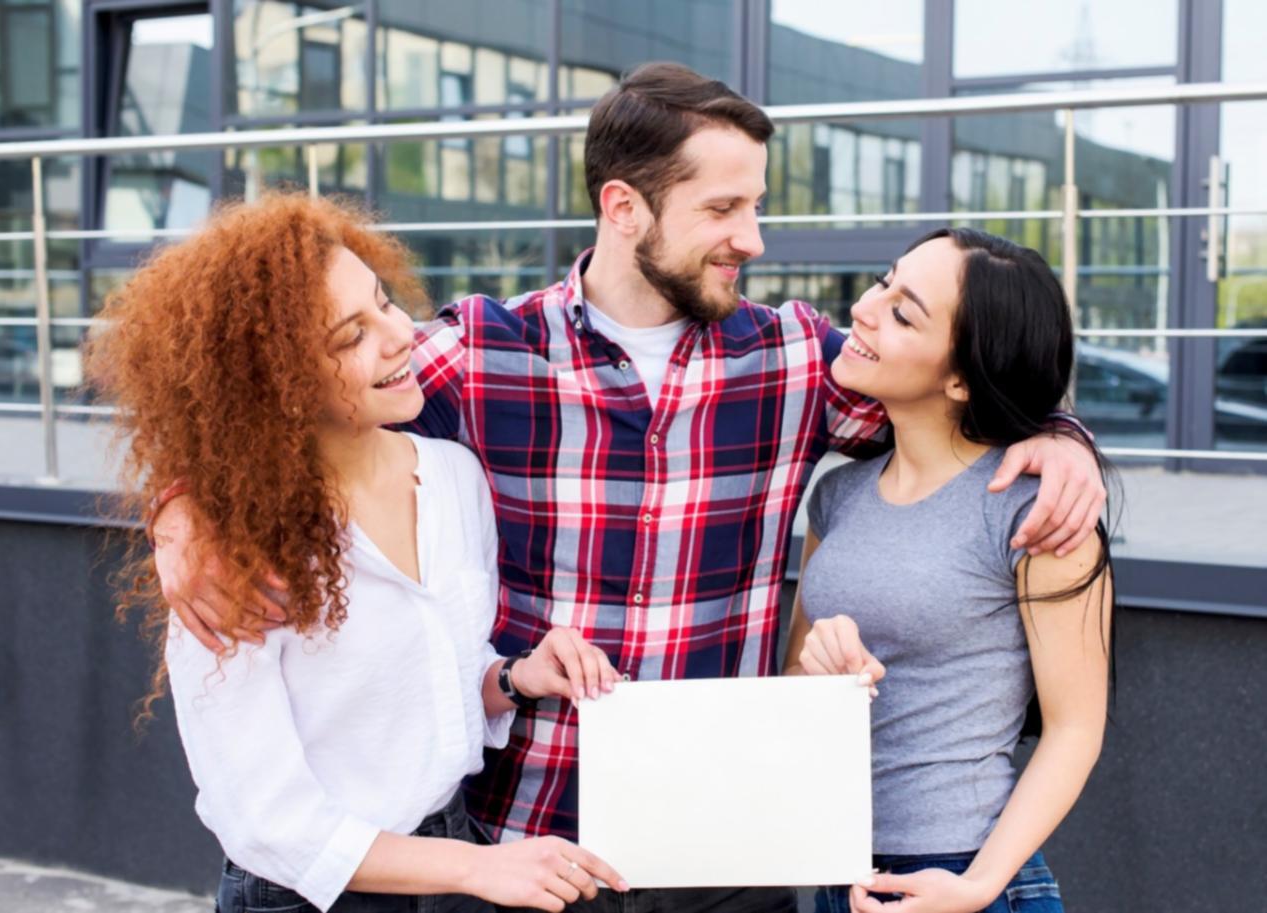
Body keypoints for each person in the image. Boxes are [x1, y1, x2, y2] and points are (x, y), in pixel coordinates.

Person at [148, 64, 1107, 913]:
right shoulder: (478, 352)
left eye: (756, 206)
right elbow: (272, 392)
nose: (754, 239)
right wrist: (181, 505)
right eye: (723, 210)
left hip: (728, 853)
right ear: (624, 208)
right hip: (526, 851)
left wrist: (1060, 438)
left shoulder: (795, 360)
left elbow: (961, 402)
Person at [86, 194, 627, 913]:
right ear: (271, 380)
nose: (401, 335)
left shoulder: (450, 477)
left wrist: (519, 676)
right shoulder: (231, 549)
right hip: (311, 895)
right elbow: (266, 822)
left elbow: (432, 686)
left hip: (449, 864)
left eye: (384, 303)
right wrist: (475, 869)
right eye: (350, 337)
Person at [784, 228, 1114, 913]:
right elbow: (795, 691)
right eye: (883, 281)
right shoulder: (838, 494)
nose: (865, 308)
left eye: (903, 312)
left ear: (961, 376)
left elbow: (1074, 729)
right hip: (839, 869)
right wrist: (816, 663)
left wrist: (976, 885)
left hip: (958, 873)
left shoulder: (1038, 509)